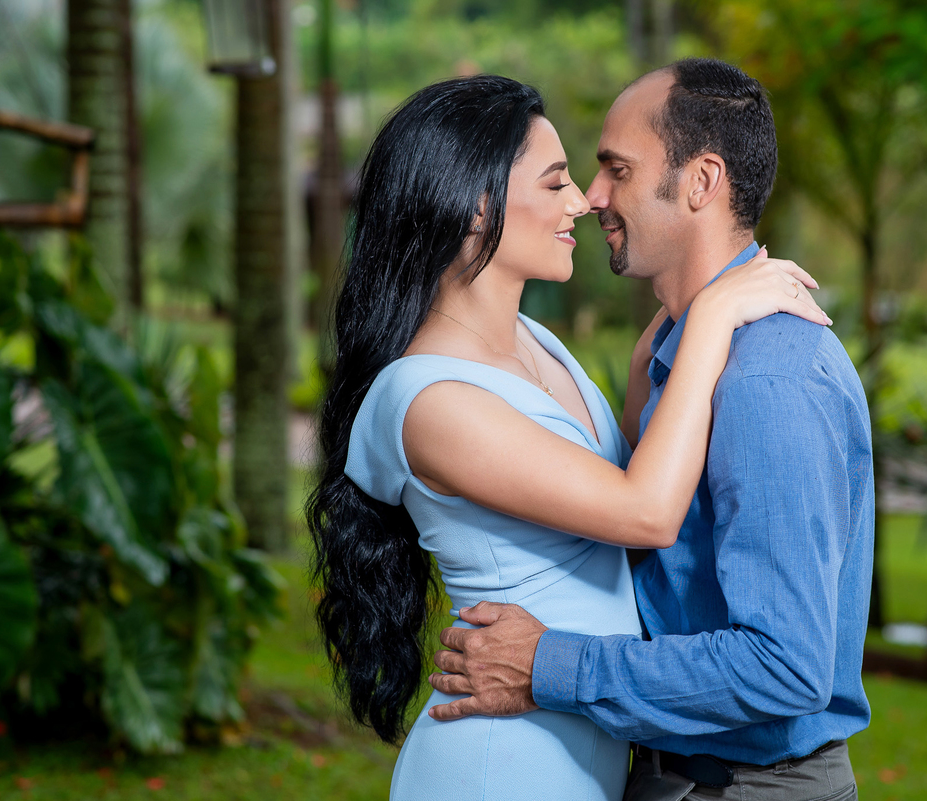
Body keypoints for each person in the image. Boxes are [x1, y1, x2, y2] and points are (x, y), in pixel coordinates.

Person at [305, 74, 829, 801]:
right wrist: (712, 317)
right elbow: (643, 510)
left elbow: (598, 480)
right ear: (476, 205)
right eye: (555, 184)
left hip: (579, 748)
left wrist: (664, 344)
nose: (582, 201)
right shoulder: (430, 399)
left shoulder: (537, 343)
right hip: (501, 763)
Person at [426, 59, 875, 801]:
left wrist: (548, 664)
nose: (593, 196)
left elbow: (785, 665)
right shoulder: (683, 352)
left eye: (617, 170)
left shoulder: (764, 378)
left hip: (746, 786)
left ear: (701, 182)